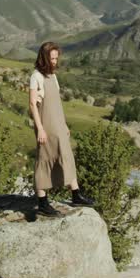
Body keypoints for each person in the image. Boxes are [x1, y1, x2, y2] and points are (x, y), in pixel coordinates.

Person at [28, 41, 94, 217]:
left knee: (66, 156)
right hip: (46, 126)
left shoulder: (53, 76)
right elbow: (32, 105)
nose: (55, 61)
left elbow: (56, 104)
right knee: (44, 159)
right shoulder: (36, 77)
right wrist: (40, 129)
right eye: (52, 58)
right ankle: (42, 202)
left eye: (56, 58)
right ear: (44, 58)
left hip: (58, 124)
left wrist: (64, 124)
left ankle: (76, 194)